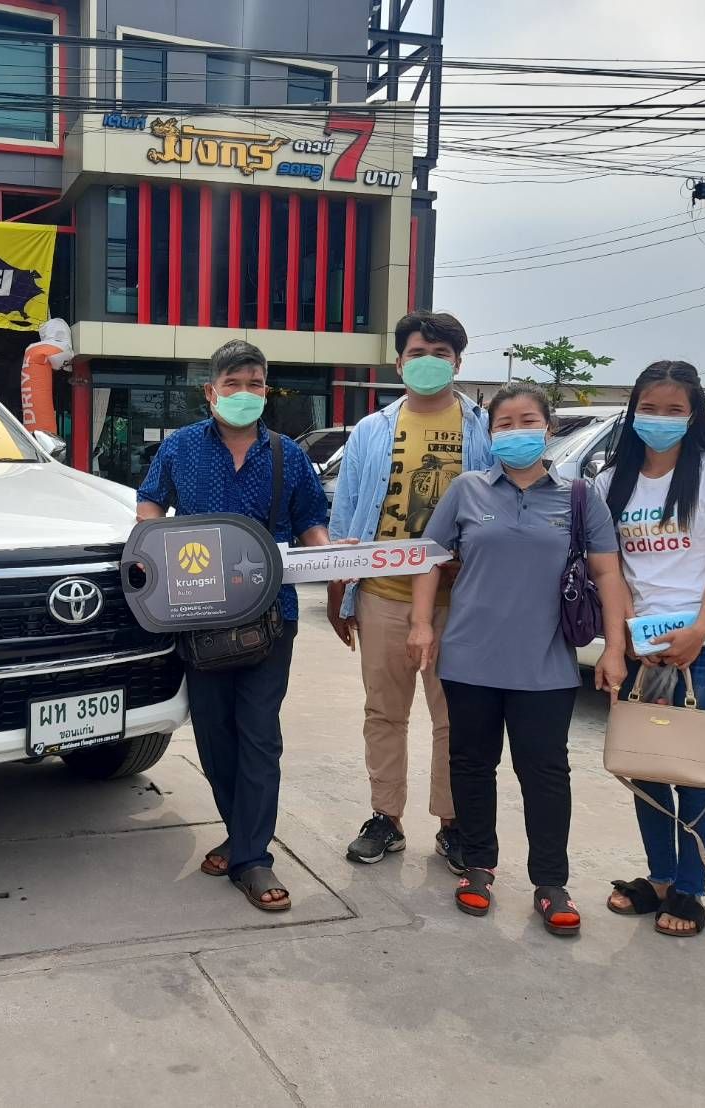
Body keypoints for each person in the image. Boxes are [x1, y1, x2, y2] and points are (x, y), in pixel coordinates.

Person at [407, 381, 630, 936]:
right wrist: (420, 624)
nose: (516, 432)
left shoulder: (579, 496)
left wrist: (614, 649)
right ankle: (478, 865)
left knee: (546, 772)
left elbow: (607, 573)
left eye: (528, 421)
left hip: (545, 664)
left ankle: (550, 882)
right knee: (471, 765)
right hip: (470, 659)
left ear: (548, 428)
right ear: (490, 433)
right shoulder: (466, 489)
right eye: (504, 424)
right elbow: (429, 559)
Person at [137, 340, 330, 912]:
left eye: (256, 384)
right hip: (198, 614)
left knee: (260, 733)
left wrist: (331, 557)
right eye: (234, 384)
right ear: (211, 391)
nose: (246, 394)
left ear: (267, 390)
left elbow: (311, 521)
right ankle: (240, 834)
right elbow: (150, 505)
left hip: (272, 617)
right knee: (215, 736)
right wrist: (150, 552)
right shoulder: (180, 448)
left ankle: (252, 858)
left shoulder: (287, 455)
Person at [327, 311, 493, 872]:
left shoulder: (483, 430)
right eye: (418, 353)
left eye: (441, 354)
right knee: (384, 711)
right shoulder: (370, 430)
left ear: (458, 363)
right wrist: (341, 592)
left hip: (460, 602)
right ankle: (386, 817)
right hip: (383, 594)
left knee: (455, 718)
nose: (429, 363)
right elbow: (347, 512)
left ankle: (452, 822)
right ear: (398, 363)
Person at [595, 361, 705, 938]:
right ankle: (660, 878)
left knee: (692, 773)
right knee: (646, 768)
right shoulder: (611, 480)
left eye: (674, 410)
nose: (659, 419)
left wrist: (699, 630)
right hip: (643, 649)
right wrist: (622, 641)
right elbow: (610, 570)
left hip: (700, 649)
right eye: (649, 408)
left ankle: (690, 889)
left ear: (693, 415)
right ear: (633, 410)